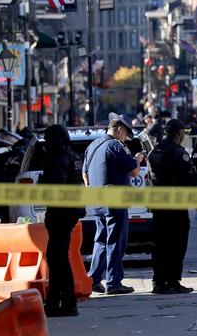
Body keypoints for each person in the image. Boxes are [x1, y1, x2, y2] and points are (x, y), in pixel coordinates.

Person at [83, 113, 143, 295]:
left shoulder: (93, 145)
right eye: (126, 133)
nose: (126, 137)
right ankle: (113, 282)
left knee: (100, 240)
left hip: (97, 200)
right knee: (116, 241)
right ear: (118, 129)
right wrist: (138, 160)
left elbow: (84, 174)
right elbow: (133, 172)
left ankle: (93, 280)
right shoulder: (116, 146)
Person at [40, 125, 85, 317]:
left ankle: (66, 302)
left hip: (61, 213)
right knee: (57, 258)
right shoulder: (73, 157)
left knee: (57, 258)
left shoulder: (59, 158)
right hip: (68, 212)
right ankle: (56, 302)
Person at [148, 119, 197, 294]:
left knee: (159, 244)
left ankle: (159, 281)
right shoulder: (178, 153)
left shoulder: (156, 150)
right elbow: (189, 181)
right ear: (178, 132)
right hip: (175, 206)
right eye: (183, 131)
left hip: (158, 205)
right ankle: (173, 281)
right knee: (177, 244)